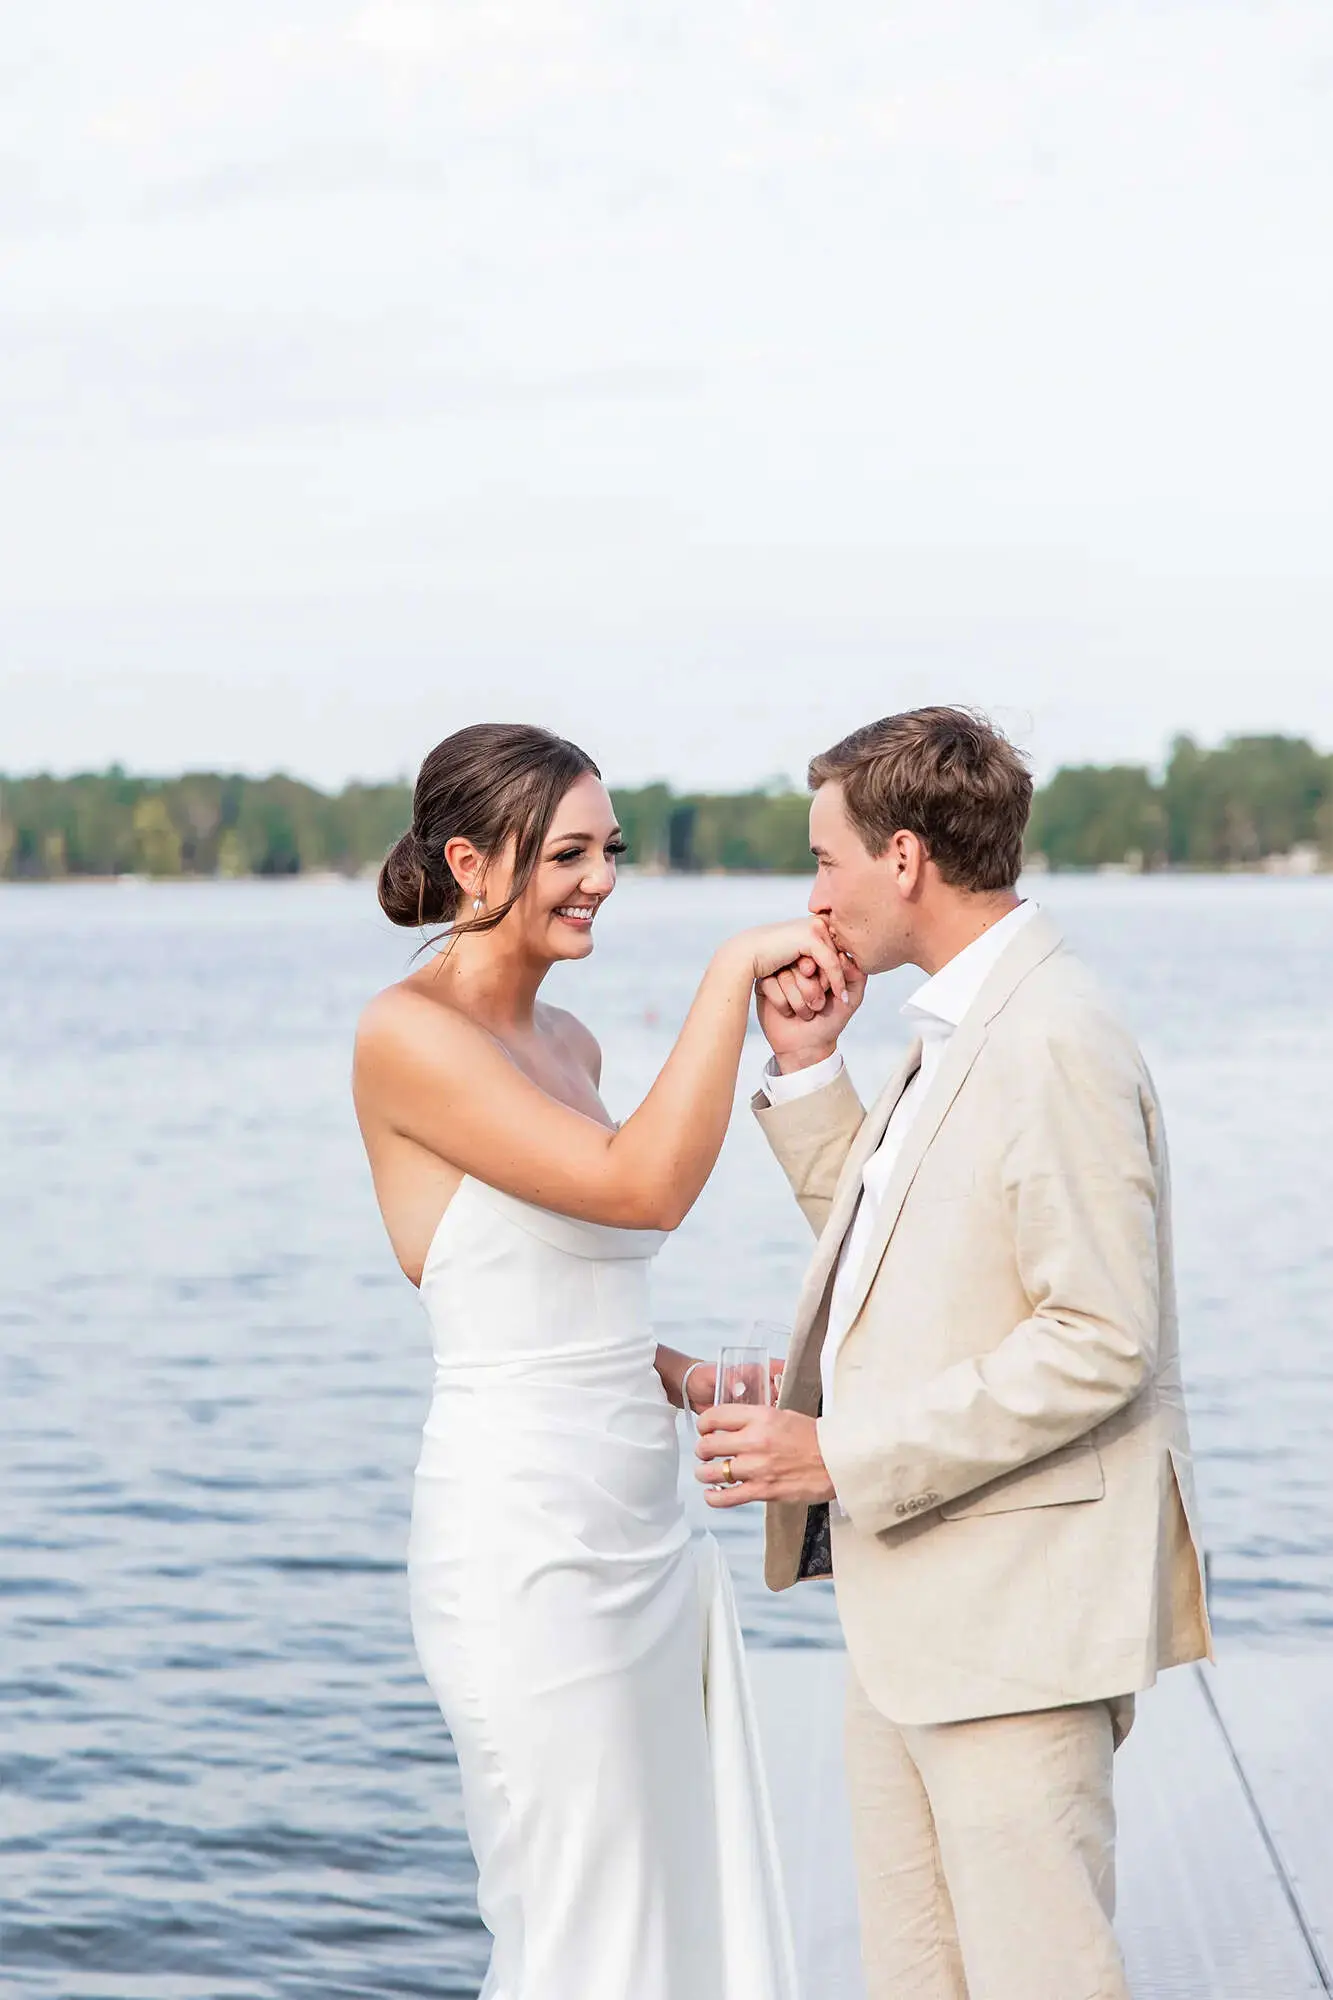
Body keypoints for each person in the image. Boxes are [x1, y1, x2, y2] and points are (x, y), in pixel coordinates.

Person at [694, 706, 1212, 2000]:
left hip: (1016, 1628)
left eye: (824, 861)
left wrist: (836, 1453)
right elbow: (908, 1269)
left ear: (906, 858)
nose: (812, 898)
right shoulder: (964, 1025)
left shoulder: (1053, 1037)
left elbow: (1100, 1341)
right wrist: (809, 1069)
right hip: (920, 1616)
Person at [352, 721, 835, 2000]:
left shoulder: (572, 1047)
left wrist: (690, 1381)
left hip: (644, 1527)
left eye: (606, 848)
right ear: (470, 861)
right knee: (578, 1919)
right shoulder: (404, 1036)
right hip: (525, 1541)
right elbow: (642, 1190)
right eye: (567, 851)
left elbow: (563, 1300)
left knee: (673, 1907)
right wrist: (731, 973)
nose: (602, 877)